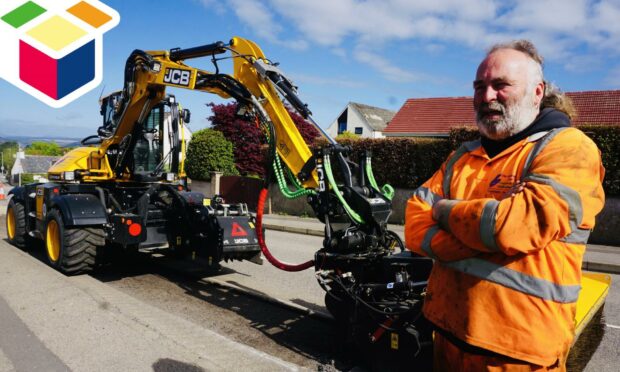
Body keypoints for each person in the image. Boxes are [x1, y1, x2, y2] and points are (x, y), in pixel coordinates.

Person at [405, 40, 605, 371]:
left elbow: (509, 227)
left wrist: (442, 212)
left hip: (519, 353)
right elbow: (414, 220)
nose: (486, 97)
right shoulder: (462, 156)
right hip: (448, 337)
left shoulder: (571, 149)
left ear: (537, 92)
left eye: (501, 85)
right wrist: (479, 239)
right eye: (479, 86)